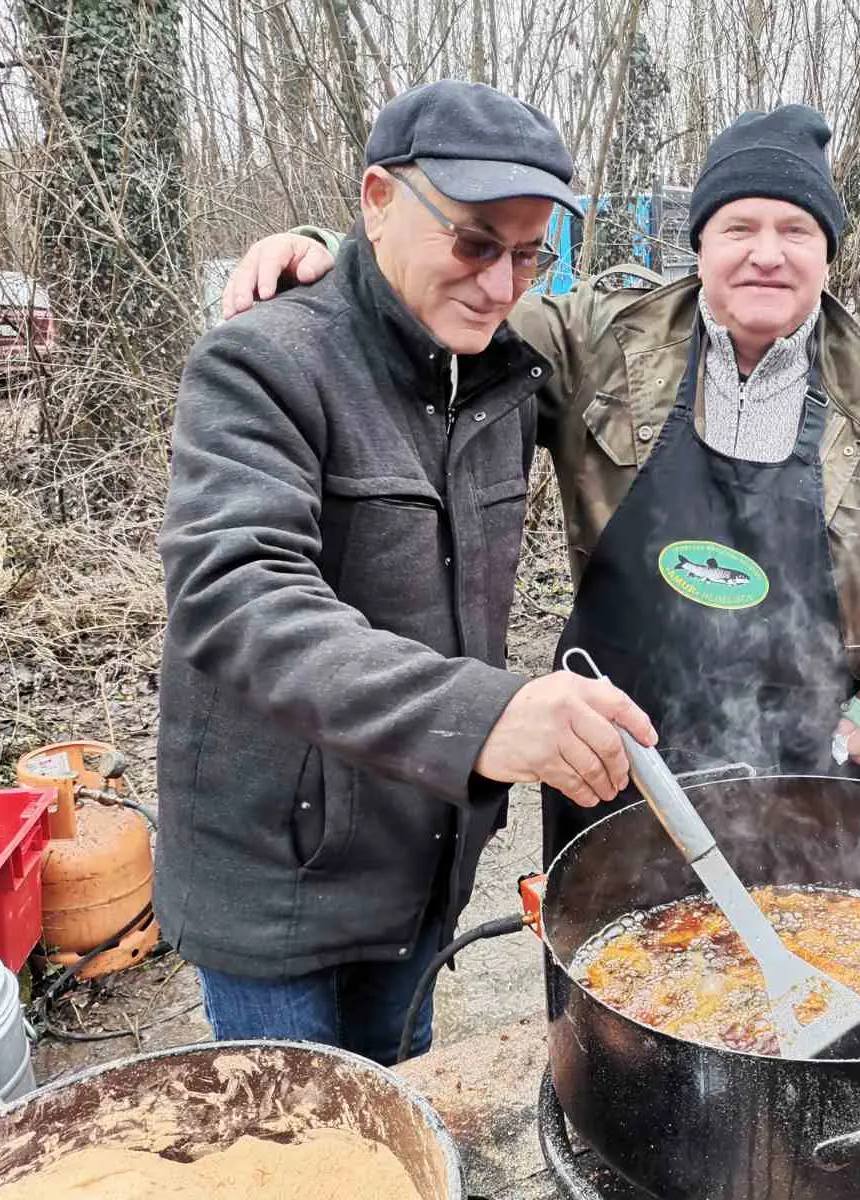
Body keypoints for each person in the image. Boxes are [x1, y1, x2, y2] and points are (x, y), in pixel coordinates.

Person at [223, 105, 860, 866]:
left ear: (827, 251)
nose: (767, 254)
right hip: (615, 751)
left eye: (795, 230)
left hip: (804, 769)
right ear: (701, 243)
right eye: (739, 228)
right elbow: (450, 301)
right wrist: (333, 259)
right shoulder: (598, 342)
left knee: (803, 937)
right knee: (610, 947)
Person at [156, 81, 655, 1066]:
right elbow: (236, 593)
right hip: (277, 879)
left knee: (402, 1095)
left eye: (528, 255)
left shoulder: (502, 379)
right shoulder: (263, 362)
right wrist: (487, 716)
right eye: (474, 242)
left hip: (420, 860)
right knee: (302, 1134)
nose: (500, 284)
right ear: (378, 199)